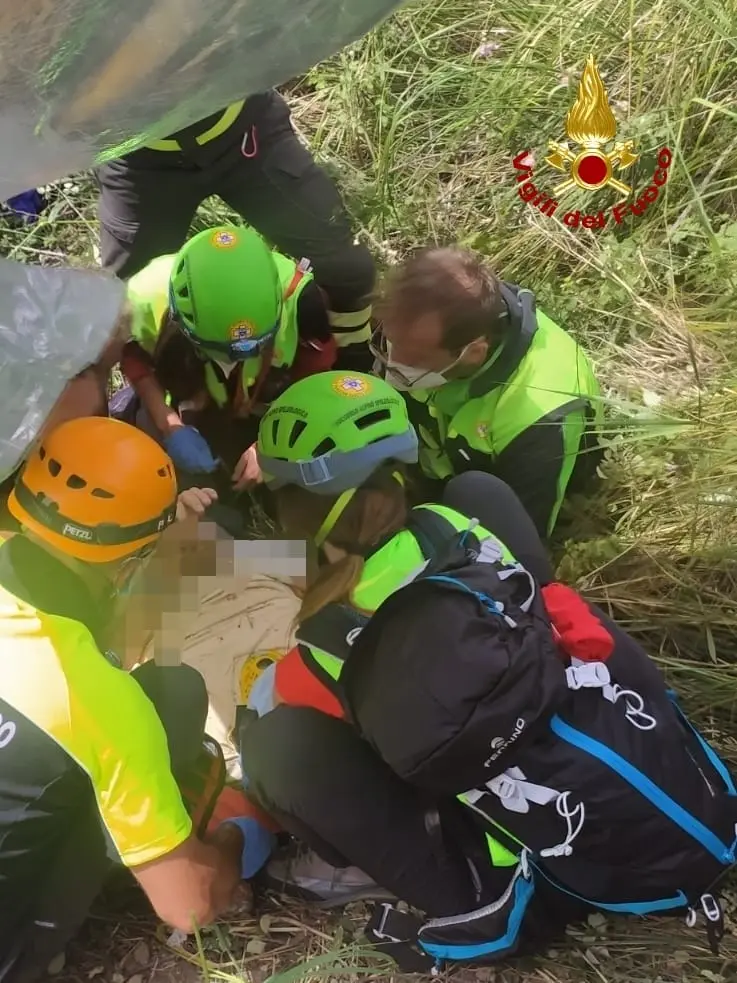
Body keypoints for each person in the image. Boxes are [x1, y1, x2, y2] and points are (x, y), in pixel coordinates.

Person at [232, 371, 737, 972]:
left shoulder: (325, 645)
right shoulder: (462, 529)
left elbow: (274, 698)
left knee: (273, 737)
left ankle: (450, 885)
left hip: (559, 863)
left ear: (294, 514)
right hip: (669, 787)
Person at [0, 417, 274, 983]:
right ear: (130, 563)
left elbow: (97, 623)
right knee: (172, 693)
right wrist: (233, 841)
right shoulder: (97, 697)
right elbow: (189, 907)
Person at [96, 91, 374, 371]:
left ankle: (355, 364)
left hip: (244, 127)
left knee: (346, 267)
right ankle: (165, 387)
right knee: (121, 307)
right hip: (136, 157)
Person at [370, 247, 603, 539]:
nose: (392, 365)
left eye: (414, 359)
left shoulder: (542, 420)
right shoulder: (424, 329)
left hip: (492, 506)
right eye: (390, 343)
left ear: (472, 353)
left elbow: (515, 544)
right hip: (434, 471)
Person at [114, 223, 353, 504]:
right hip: (190, 391)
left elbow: (316, 382)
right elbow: (134, 359)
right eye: (219, 350)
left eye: (258, 346)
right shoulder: (142, 296)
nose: (236, 361)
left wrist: (269, 447)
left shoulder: (301, 301)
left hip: (269, 402)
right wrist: (170, 425)